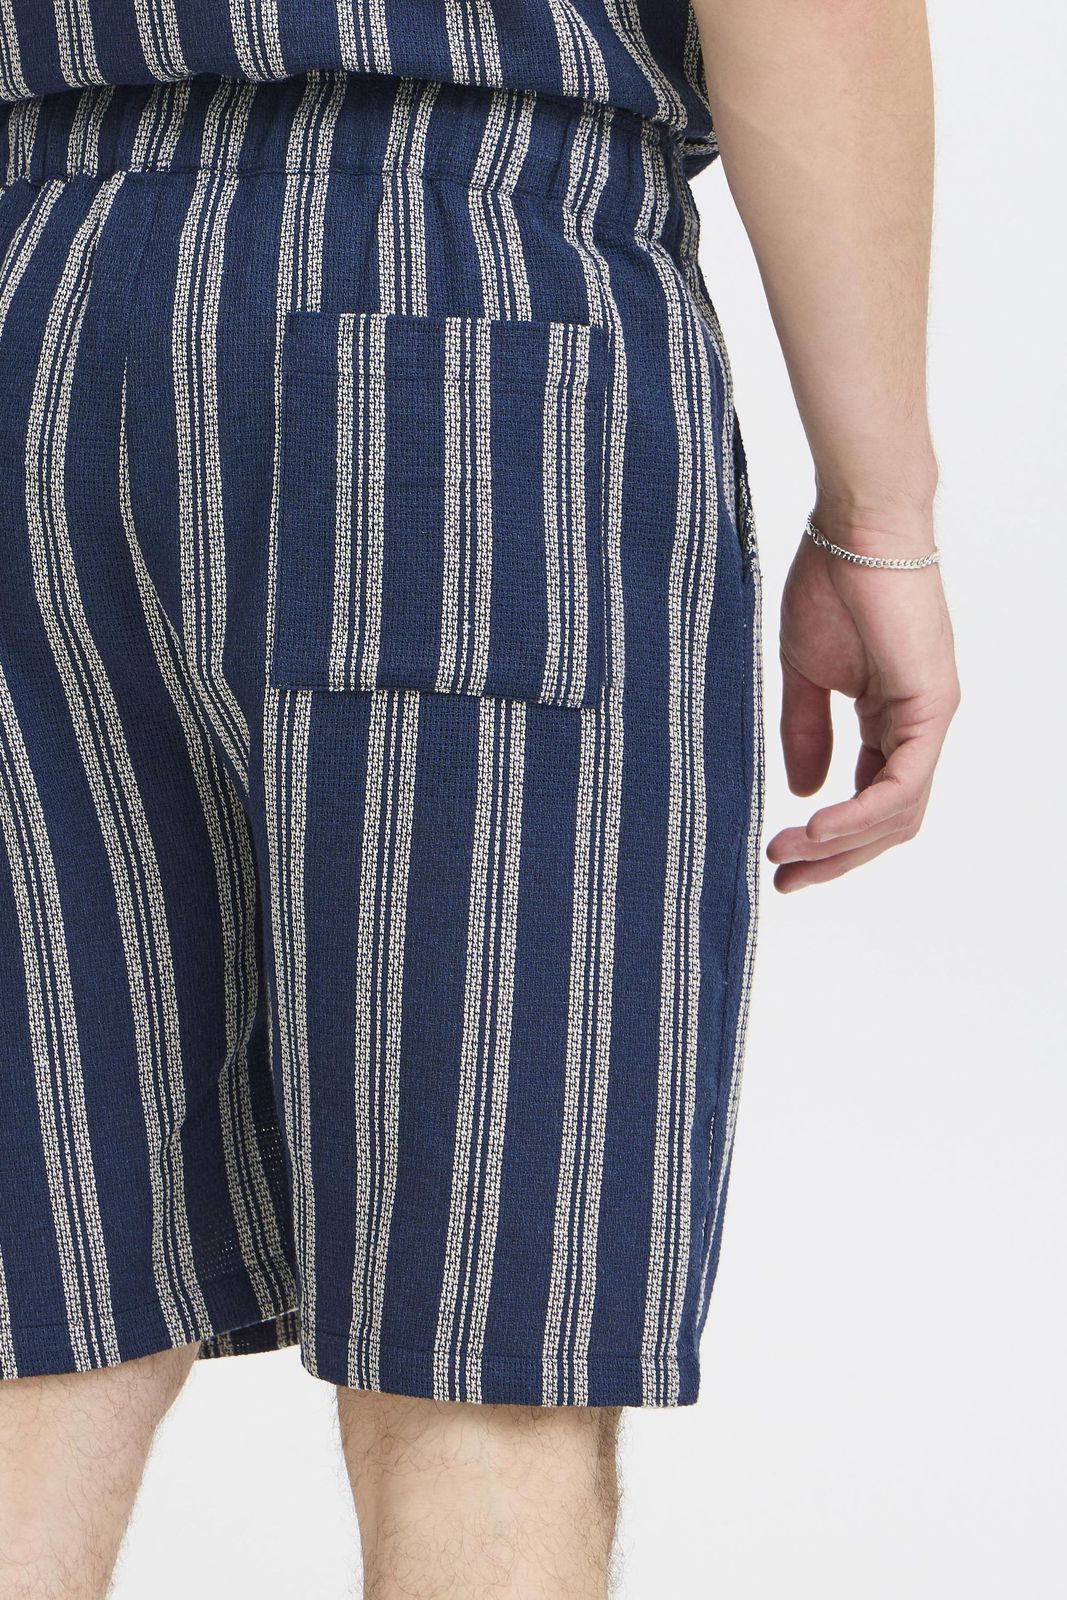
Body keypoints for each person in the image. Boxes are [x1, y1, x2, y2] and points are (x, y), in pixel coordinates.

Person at [0, 0, 958, 1594]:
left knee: (39, 1303)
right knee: (485, 1342)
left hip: (33, 305)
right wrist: (881, 516)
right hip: (471, 313)